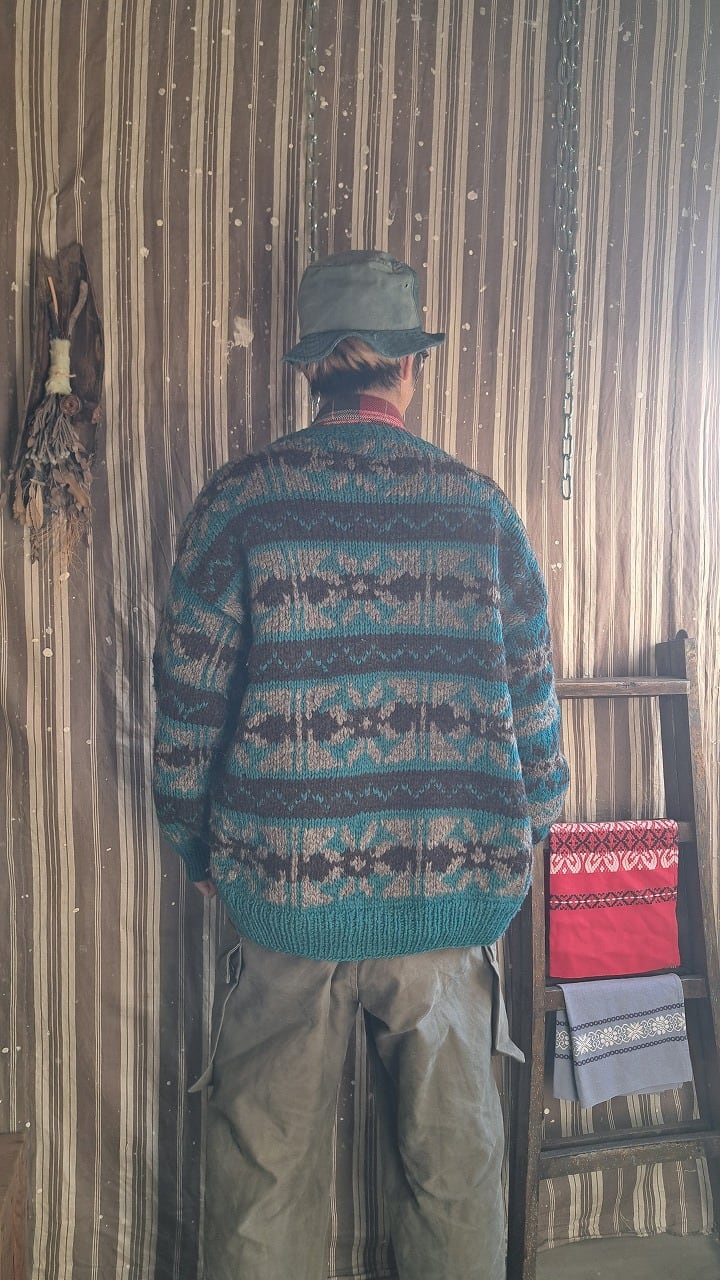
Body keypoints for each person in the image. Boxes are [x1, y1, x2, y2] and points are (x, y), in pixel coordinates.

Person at [152, 249, 569, 1280]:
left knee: (262, 1176)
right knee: (453, 1172)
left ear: (310, 368)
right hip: (449, 902)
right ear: (408, 367)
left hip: (283, 893)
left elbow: (189, 696)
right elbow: (533, 700)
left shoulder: (243, 502)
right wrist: (532, 823)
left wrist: (192, 839)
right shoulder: (480, 510)